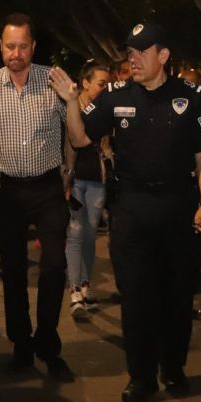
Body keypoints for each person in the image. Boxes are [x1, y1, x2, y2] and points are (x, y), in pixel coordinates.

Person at [51, 22, 201, 402]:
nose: (133, 58)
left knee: (178, 294)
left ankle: (173, 367)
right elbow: (80, 138)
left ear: (163, 56)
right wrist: (72, 102)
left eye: (142, 51)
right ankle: (141, 377)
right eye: (130, 52)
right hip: (132, 207)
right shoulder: (116, 96)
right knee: (136, 297)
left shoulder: (191, 97)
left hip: (179, 207)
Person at [0, 13, 74, 382]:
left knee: (54, 266)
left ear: (33, 47)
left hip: (48, 189)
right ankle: (21, 346)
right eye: (10, 46)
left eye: (23, 46)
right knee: (12, 272)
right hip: (9, 191)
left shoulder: (53, 80)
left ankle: (48, 342)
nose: (16, 53)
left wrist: (68, 173)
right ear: (1, 47)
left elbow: (73, 132)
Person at [62, 61, 111, 319]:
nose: (105, 89)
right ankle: (75, 292)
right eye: (101, 84)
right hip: (75, 178)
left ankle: (85, 284)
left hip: (96, 179)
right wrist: (66, 179)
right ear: (85, 83)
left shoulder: (104, 110)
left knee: (90, 235)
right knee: (75, 233)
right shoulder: (70, 107)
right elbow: (67, 143)